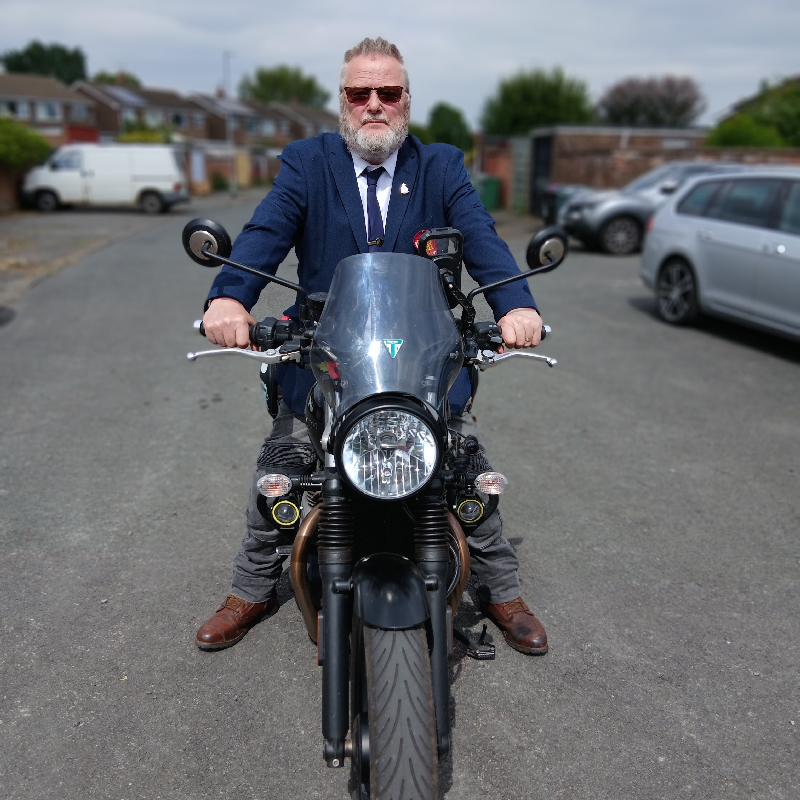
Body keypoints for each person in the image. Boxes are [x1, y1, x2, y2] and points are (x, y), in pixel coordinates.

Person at [195, 37, 548, 656]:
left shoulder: (440, 166)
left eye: (388, 92)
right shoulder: (308, 163)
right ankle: (250, 588)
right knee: (284, 466)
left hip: (420, 360)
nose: (375, 104)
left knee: (466, 470)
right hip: (325, 356)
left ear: (407, 99)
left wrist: (515, 306)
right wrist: (230, 299)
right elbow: (265, 230)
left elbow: (482, 237)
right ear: (344, 100)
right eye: (361, 93)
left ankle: (500, 589)